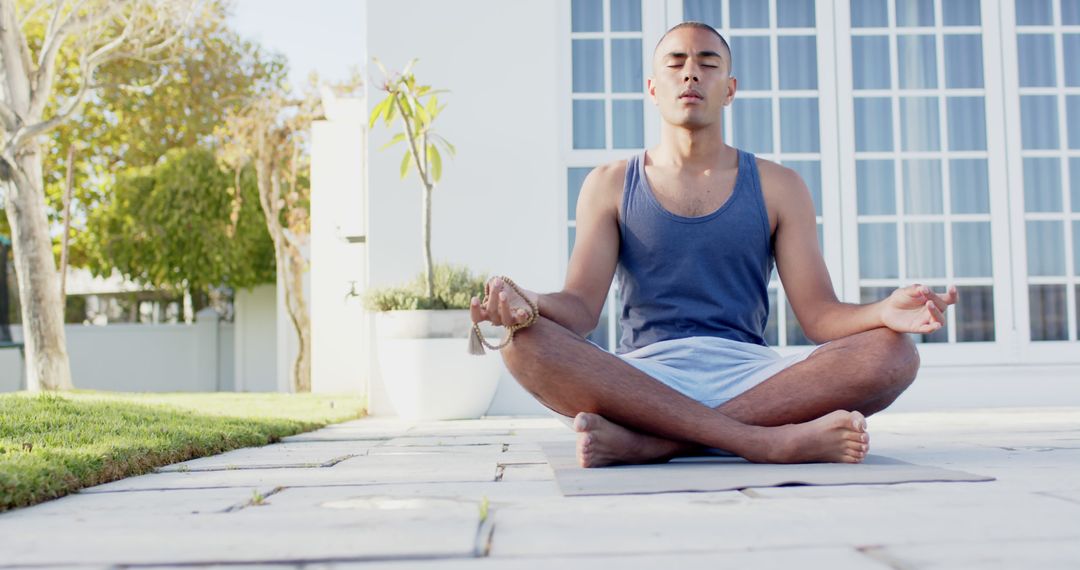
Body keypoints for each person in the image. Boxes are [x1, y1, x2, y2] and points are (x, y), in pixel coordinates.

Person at [469, 22, 958, 468]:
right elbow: (579, 310)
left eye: (708, 64)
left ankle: (654, 445)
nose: (691, 76)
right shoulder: (610, 183)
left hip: (751, 376)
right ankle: (765, 443)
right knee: (522, 342)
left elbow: (819, 316)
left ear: (730, 90)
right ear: (653, 89)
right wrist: (529, 302)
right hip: (640, 381)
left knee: (894, 354)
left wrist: (884, 311)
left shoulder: (779, 185)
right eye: (676, 64)